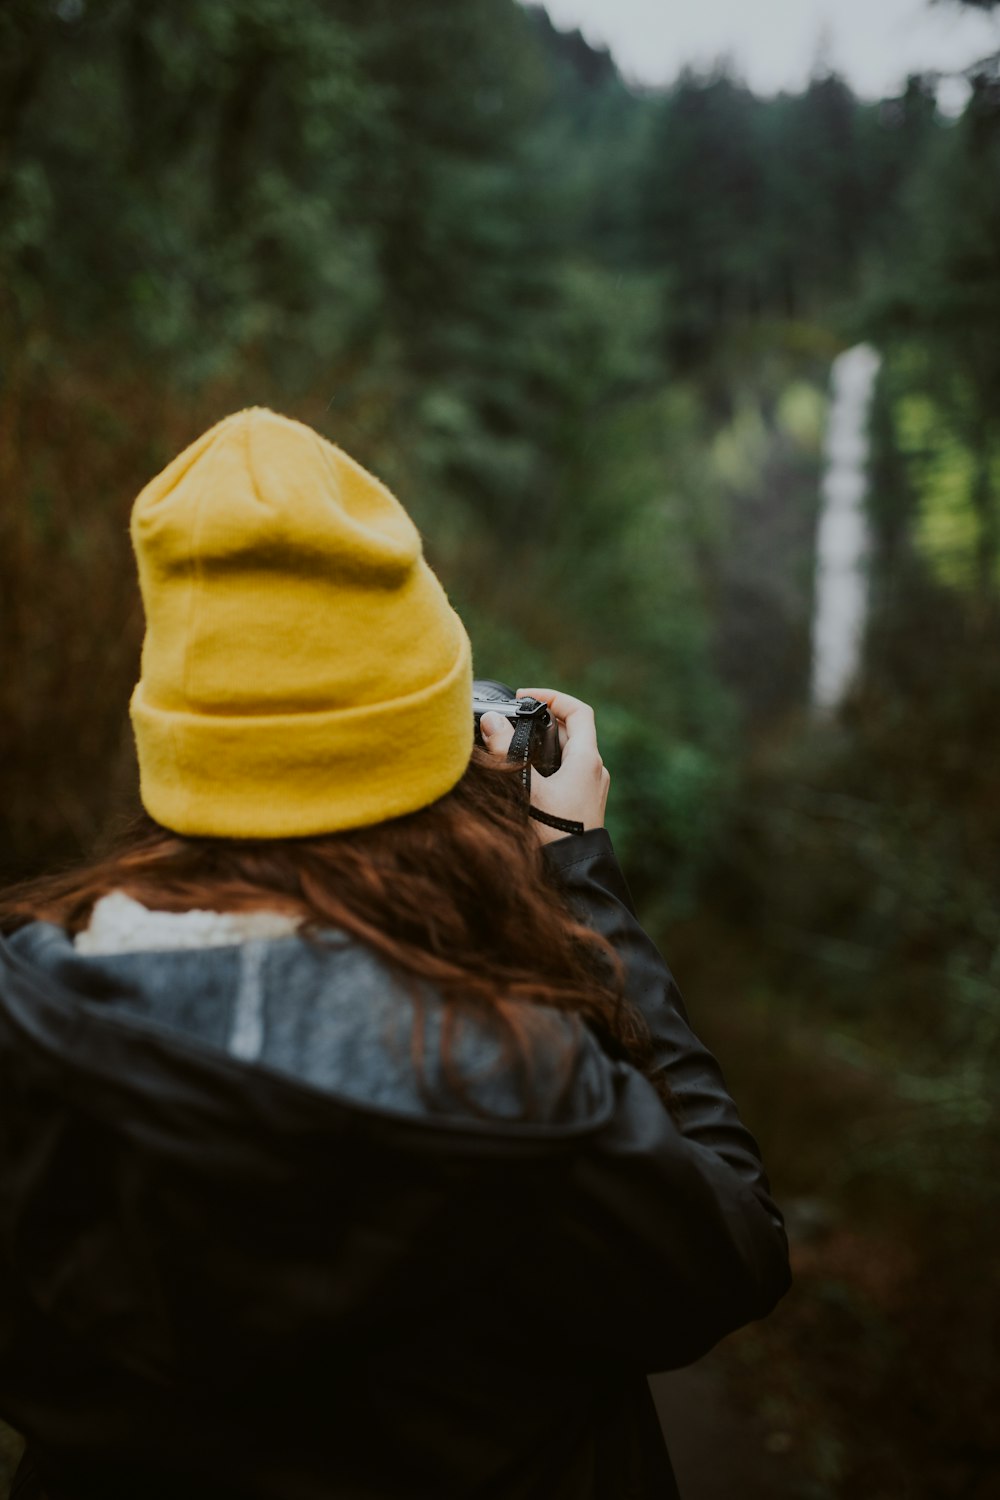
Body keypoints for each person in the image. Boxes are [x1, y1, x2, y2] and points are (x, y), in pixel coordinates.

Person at [0, 408, 790, 1500]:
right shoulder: (525, 1094)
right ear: (440, 760)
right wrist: (576, 873)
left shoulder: (32, 1031)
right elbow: (730, 1248)